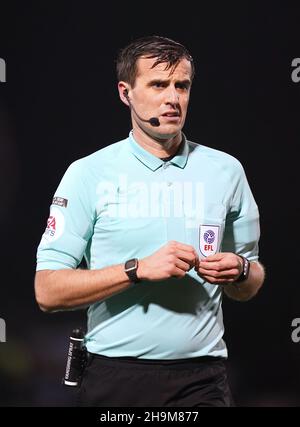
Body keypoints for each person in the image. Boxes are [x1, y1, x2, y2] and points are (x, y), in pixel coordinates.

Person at [35, 35, 265, 407]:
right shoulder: (88, 173)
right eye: (158, 84)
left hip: (203, 379)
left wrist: (239, 270)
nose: (173, 98)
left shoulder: (226, 171)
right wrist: (136, 269)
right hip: (115, 377)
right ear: (125, 93)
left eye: (182, 85)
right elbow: (46, 291)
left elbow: (251, 279)